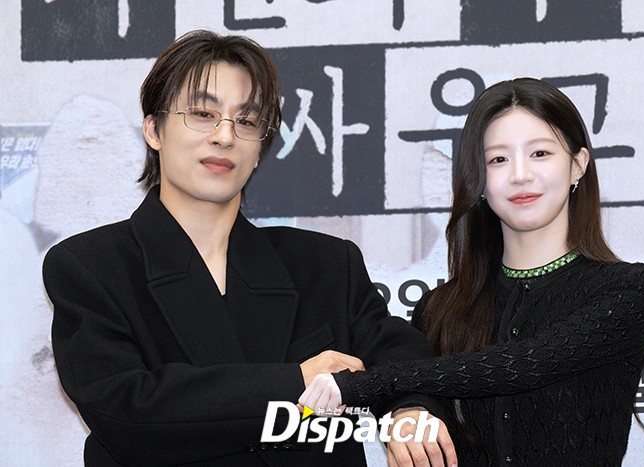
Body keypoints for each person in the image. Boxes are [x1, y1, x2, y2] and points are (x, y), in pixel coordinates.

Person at [42, 30, 456, 466]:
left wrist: (410, 410)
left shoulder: (326, 264)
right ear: (153, 130)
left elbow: (401, 358)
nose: (225, 136)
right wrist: (297, 382)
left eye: (246, 121)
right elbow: (128, 412)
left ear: (260, 149)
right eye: (203, 114)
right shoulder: (89, 266)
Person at [300, 77, 644, 466]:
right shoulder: (439, 310)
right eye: (498, 160)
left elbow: (524, 365)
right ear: (479, 180)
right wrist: (400, 411)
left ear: (578, 165)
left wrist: (363, 384)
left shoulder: (628, 290)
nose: (520, 174)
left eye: (540, 153)